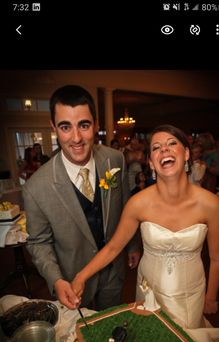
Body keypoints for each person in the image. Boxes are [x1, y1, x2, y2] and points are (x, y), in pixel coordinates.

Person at [72, 124, 219, 330]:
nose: (164, 149)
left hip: (190, 293)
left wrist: (211, 297)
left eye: (172, 143)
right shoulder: (138, 203)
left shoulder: (211, 204)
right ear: (151, 162)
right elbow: (113, 248)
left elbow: (217, 258)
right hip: (149, 290)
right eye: (156, 147)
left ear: (187, 154)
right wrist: (81, 277)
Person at [23, 85, 140, 310]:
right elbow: (39, 243)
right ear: (54, 128)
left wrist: (133, 245)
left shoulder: (115, 160)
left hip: (114, 270)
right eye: (65, 127)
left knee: (110, 328)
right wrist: (56, 280)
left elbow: (127, 208)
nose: (76, 138)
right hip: (72, 281)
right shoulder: (35, 188)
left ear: (95, 125)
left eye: (84, 125)